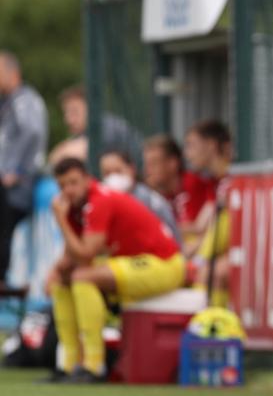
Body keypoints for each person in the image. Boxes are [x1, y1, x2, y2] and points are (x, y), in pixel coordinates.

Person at [47, 157, 184, 383]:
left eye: (73, 183)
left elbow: (85, 254)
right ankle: (68, 365)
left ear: (87, 179)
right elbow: (69, 258)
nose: (68, 190)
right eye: (63, 186)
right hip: (137, 263)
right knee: (63, 281)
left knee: (83, 277)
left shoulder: (100, 200)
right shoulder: (76, 208)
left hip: (165, 263)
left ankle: (94, 366)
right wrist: (56, 273)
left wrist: (60, 220)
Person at [0, 50, 48, 285]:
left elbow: (33, 131)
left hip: (16, 186)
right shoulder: (9, 103)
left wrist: (15, 169)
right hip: (9, 184)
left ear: (13, 73)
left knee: (4, 234)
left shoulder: (24, 100)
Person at [182, 119, 232, 307]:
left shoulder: (233, 179)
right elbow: (201, 227)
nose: (187, 154)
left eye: (191, 145)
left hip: (233, 254)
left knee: (207, 273)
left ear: (211, 145)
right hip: (214, 253)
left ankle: (211, 322)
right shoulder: (214, 183)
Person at [98, 149, 182, 247]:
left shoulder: (150, 202)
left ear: (132, 169)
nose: (113, 177)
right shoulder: (103, 203)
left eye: (118, 171)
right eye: (107, 173)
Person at [47, 86, 143, 167]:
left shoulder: (108, 126)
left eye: (74, 112)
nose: (68, 120)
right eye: (65, 113)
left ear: (92, 109)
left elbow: (74, 153)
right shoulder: (82, 134)